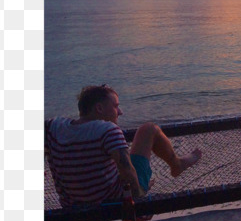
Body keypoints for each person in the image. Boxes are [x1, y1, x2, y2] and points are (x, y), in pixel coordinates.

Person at [45, 84, 202, 206]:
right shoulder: (108, 130)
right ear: (99, 108)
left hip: (72, 207)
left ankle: (173, 165)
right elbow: (128, 173)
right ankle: (177, 164)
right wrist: (140, 204)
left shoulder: (53, 126)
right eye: (115, 106)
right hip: (114, 204)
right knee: (148, 129)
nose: (120, 112)